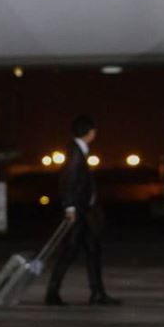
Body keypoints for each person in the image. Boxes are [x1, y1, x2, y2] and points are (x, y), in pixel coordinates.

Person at [45, 114, 118, 306]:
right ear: (90, 132)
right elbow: (68, 180)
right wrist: (69, 207)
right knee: (71, 250)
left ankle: (97, 292)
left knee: (92, 249)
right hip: (79, 212)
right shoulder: (76, 152)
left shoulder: (78, 150)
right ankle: (53, 292)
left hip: (84, 211)